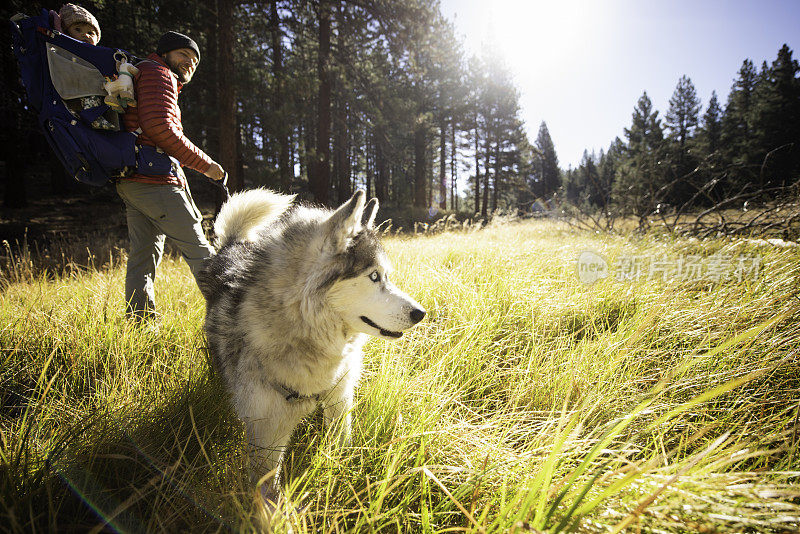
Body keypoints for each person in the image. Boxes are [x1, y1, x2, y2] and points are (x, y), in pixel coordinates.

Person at [117, 31, 226, 321]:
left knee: (143, 257)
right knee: (201, 252)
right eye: (183, 55)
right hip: (156, 181)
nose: (189, 63)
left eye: (194, 60)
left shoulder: (147, 74)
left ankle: (140, 325)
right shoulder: (158, 73)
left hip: (132, 179)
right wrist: (207, 165)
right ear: (165, 54)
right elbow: (159, 127)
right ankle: (236, 327)